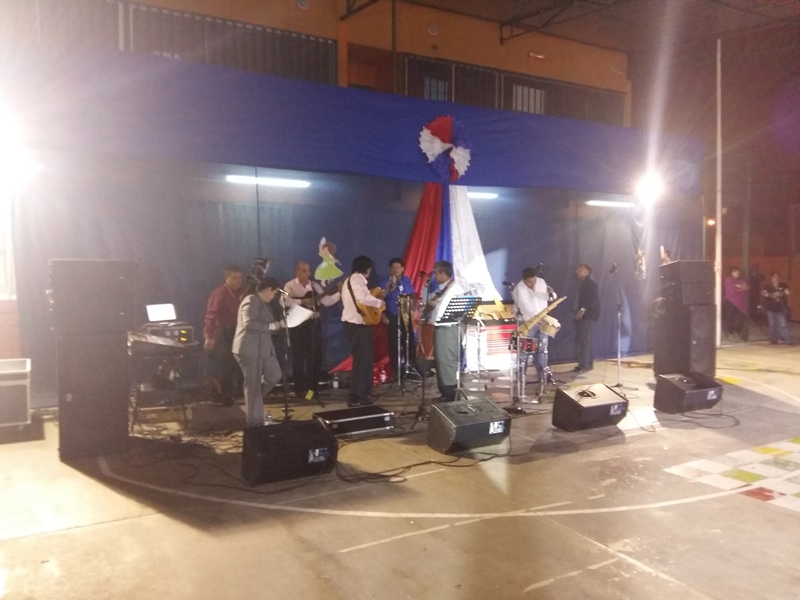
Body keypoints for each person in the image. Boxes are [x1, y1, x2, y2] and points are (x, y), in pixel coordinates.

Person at [284, 261, 341, 400]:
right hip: (298, 326)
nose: (308, 274)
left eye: (308, 271)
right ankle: (299, 391)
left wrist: (340, 292)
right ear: (297, 271)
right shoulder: (290, 285)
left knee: (314, 359)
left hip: (313, 325)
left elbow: (327, 301)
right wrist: (302, 302)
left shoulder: (315, 286)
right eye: (304, 271)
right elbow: (284, 301)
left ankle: (311, 392)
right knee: (298, 359)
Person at [232, 277, 284, 427]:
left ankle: (253, 400)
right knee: (253, 385)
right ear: (268, 290)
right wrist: (271, 326)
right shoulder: (252, 299)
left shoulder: (261, 302)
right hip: (249, 349)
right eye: (274, 293)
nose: (273, 297)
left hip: (262, 348)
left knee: (274, 375)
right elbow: (248, 323)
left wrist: (277, 325)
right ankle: (254, 423)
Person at [341, 256, 385, 407]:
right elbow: (363, 298)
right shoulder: (357, 279)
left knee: (365, 360)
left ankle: (365, 392)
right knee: (362, 361)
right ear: (367, 268)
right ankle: (357, 396)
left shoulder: (351, 279)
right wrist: (379, 303)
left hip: (357, 325)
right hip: (357, 326)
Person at [203, 265, 244, 406]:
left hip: (238, 331)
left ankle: (237, 393)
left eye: (240, 278)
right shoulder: (219, 294)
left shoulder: (242, 293)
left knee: (237, 364)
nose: (238, 281)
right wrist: (209, 336)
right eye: (234, 278)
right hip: (223, 332)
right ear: (226, 278)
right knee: (226, 364)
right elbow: (211, 315)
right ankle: (224, 396)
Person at [426, 261, 465, 402]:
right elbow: (429, 300)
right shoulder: (442, 288)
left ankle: (450, 393)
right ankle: (445, 391)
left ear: (443, 273)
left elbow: (445, 310)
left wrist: (436, 305)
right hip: (440, 327)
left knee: (447, 359)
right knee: (441, 360)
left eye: (436, 273)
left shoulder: (455, 288)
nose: (434, 276)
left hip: (448, 327)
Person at [511, 266, 556, 386]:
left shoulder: (541, 282)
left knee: (542, 349)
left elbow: (551, 297)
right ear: (524, 280)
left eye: (534, 281)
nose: (533, 284)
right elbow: (526, 309)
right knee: (524, 351)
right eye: (529, 282)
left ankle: (543, 376)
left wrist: (551, 293)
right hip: (527, 322)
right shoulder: (519, 289)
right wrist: (539, 318)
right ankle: (521, 377)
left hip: (542, 320)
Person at [379, 258, 416, 381]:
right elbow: (380, 300)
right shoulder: (385, 283)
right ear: (390, 269)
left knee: (409, 342)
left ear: (402, 269)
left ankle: (410, 368)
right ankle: (396, 372)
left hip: (406, 314)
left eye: (398, 267)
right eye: (393, 267)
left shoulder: (406, 281)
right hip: (392, 315)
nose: (395, 270)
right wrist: (383, 316)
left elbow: (411, 295)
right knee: (394, 344)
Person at [573, 263, 600, 373]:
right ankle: (583, 363)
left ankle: (585, 365)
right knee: (581, 340)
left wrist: (583, 308)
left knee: (585, 341)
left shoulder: (590, 283)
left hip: (588, 316)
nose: (577, 272)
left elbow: (592, 299)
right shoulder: (583, 283)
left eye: (580, 270)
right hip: (582, 315)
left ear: (587, 271)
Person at [761, 273, 793, 345]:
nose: (776, 279)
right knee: (772, 325)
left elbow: (788, 292)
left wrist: (781, 293)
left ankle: (789, 341)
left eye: (777, 277)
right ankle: (774, 340)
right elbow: (764, 293)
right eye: (774, 277)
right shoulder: (767, 286)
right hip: (770, 309)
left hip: (781, 308)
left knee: (783, 324)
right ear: (771, 278)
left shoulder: (783, 285)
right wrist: (772, 295)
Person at [723, 266, 749, 340]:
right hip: (730, 302)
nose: (737, 272)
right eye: (735, 271)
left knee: (742, 318)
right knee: (730, 318)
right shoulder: (728, 279)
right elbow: (732, 290)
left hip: (740, 304)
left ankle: (737, 333)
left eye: (738, 271)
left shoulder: (742, 280)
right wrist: (742, 288)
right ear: (731, 273)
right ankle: (730, 333)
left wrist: (739, 287)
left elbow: (747, 287)